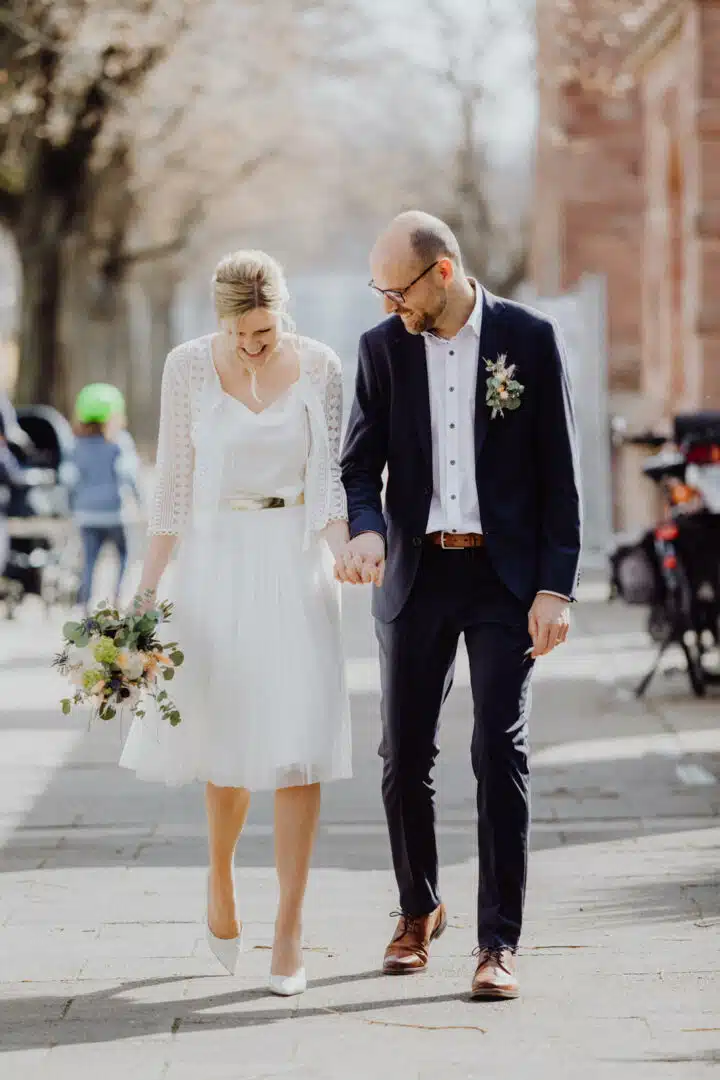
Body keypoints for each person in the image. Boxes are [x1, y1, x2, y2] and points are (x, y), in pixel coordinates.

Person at [338, 212, 581, 1000]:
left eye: (397, 290)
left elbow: (560, 476)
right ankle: (418, 910)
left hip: (505, 580)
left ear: (442, 273)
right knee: (403, 754)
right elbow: (357, 468)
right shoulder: (382, 350)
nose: (387, 307)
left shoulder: (531, 339)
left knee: (497, 750)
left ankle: (497, 943)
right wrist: (367, 533)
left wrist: (556, 587)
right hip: (415, 575)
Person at [119, 250, 351, 997]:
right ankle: (220, 878)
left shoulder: (321, 366)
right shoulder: (188, 367)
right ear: (220, 323)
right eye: (240, 334)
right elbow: (174, 490)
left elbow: (339, 478)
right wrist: (146, 592)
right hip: (213, 565)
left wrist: (350, 550)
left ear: (283, 311)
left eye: (265, 331)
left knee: (300, 746)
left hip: (295, 562)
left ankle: (289, 931)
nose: (253, 346)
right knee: (224, 738)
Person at [69, 384, 142, 613]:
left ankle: (85, 603)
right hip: (113, 512)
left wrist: (71, 505)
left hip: (86, 513)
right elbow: (129, 474)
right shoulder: (119, 442)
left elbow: (70, 478)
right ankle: (117, 600)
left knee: (90, 560)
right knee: (124, 555)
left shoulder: (77, 445)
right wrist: (141, 503)